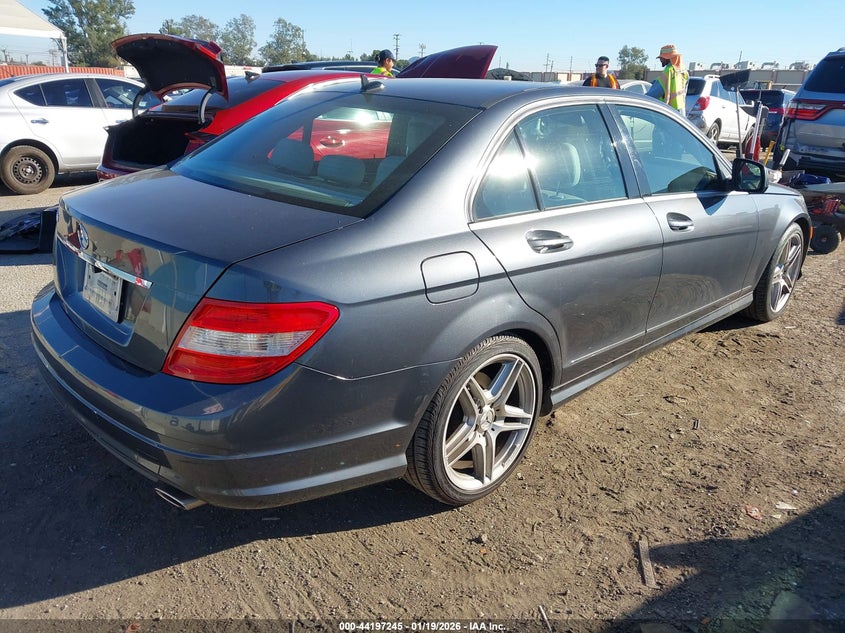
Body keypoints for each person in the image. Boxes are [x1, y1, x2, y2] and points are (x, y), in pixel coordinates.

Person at [646, 44, 690, 115]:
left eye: (662, 57)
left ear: (667, 58)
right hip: (681, 114)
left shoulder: (668, 72)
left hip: (668, 115)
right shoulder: (684, 71)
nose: (660, 60)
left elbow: (651, 96)